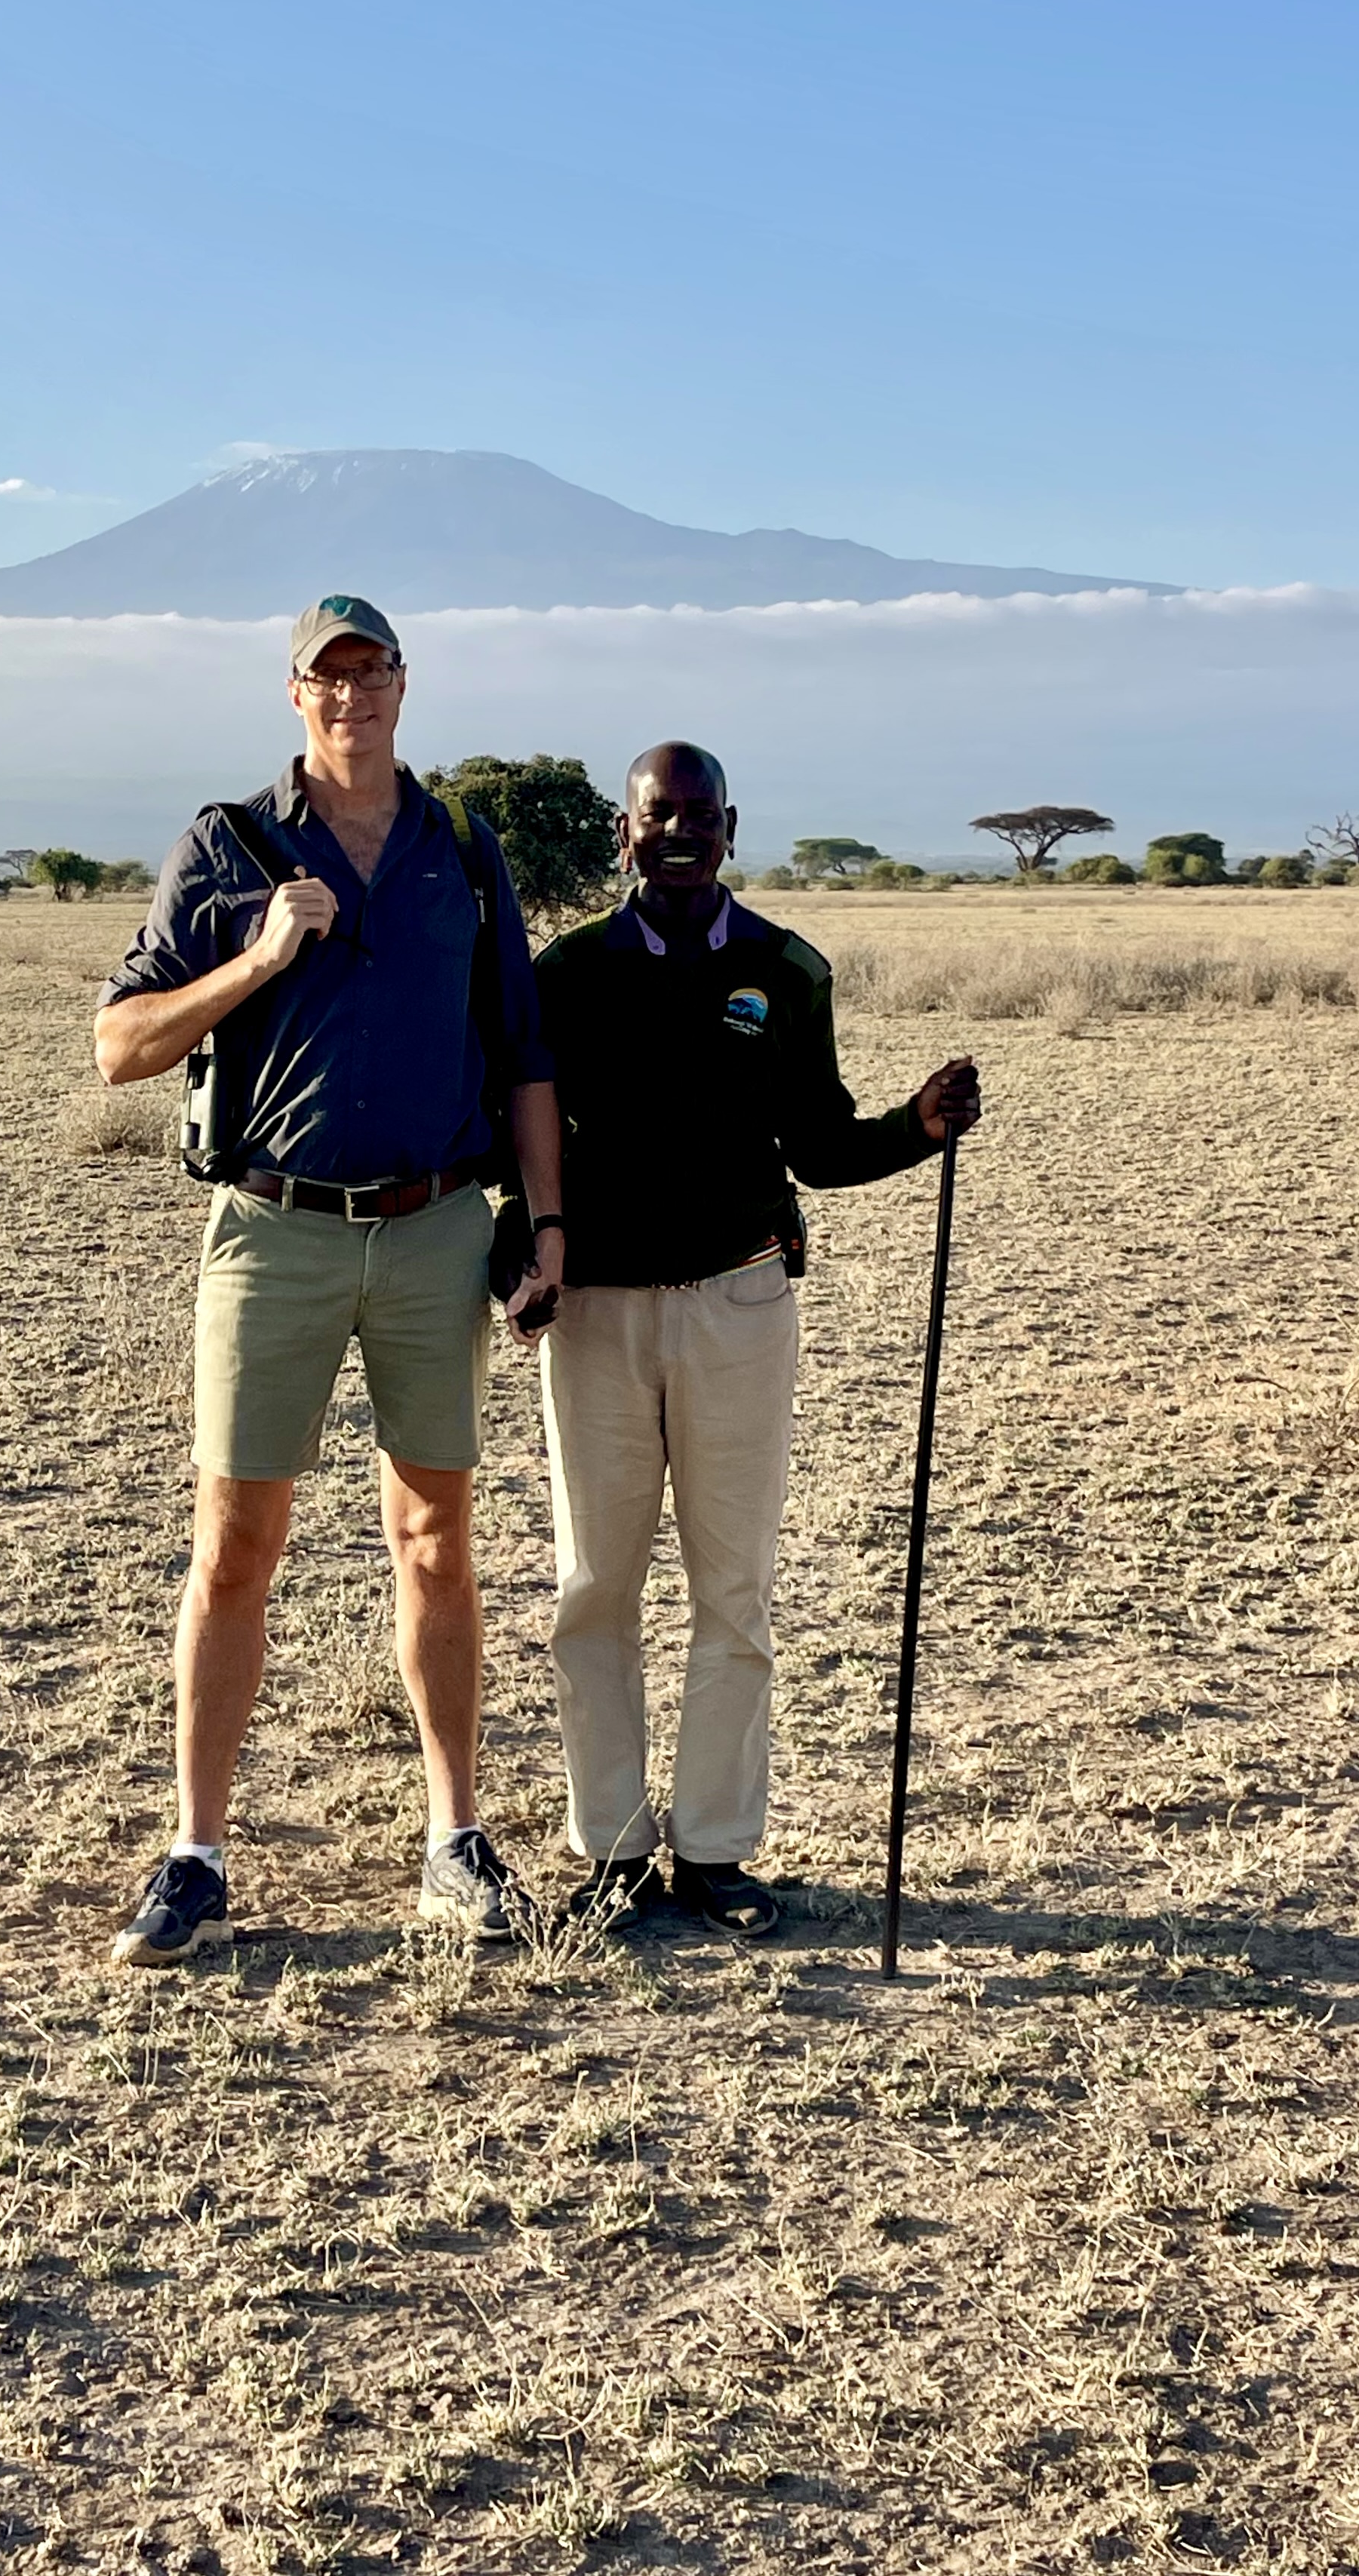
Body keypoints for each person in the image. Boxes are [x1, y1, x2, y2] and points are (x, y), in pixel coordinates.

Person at [93, 597, 564, 1966]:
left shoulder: (463, 850)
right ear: (292, 695)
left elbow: (523, 1054)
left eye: (373, 671)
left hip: (433, 1231)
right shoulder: (230, 846)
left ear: (407, 686)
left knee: (438, 1541)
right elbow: (118, 1044)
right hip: (275, 1230)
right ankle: (196, 1853)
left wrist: (546, 1231)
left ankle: (455, 1842)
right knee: (236, 1547)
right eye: (327, 675)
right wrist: (257, 957)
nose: (352, 695)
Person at [532, 742, 979, 1932]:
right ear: (623, 835)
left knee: (736, 1591)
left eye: (696, 814)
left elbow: (819, 1145)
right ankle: (614, 1851)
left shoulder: (789, 971)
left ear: (730, 826)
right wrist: (520, 1250)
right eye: (653, 815)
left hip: (740, 1305)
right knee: (595, 1589)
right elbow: (522, 1138)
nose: (676, 832)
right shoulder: (566, 973)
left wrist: (916, 1127)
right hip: (596, 1318)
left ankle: (717, 1851)